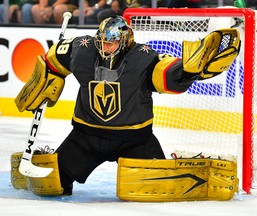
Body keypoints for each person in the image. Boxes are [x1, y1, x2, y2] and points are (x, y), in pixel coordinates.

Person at [14, 15, 240, 195]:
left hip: (135, 139)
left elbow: (169, 75)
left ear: (124, 40)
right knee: (53, 186)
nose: (105, 46)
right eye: (101, 41)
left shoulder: (144, 58)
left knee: (158, 190)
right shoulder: (82, 50)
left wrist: (189, 71)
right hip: (85, 137)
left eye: (111, 42)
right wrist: (46, 77)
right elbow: (55, 58)